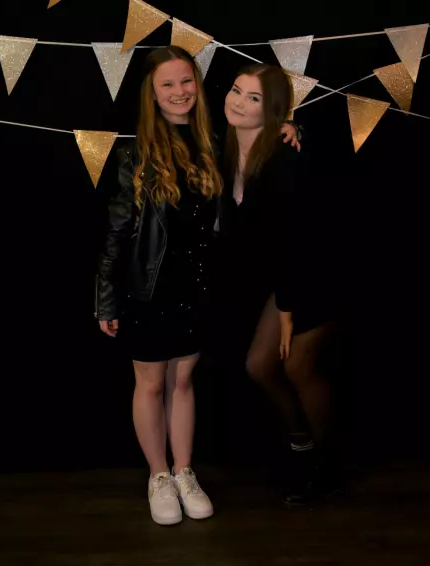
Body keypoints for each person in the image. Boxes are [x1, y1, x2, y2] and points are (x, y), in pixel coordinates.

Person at [95, 46, 299, 525]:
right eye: (167, 84)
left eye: (186, 81)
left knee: (183, 381)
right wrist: (104, 297)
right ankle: (158, 475)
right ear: (151, 93)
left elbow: (258, 139)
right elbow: (116, 234)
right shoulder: (133, 153)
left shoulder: (212, 143)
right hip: (146, 290)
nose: (179, 91)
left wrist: (290, 126)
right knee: (150, 385)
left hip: (197, 287)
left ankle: (184, 471)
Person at [217, 63, 341, 506]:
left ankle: (327, 469)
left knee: (296, 366)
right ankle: (300, 446)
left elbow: (295, 242)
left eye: (253, 98)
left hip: (319, 276)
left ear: (271, 111)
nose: (238, 102)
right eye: (236, 90)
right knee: (258, 366)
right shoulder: (226, 149)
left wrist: (287, 311)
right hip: (288, 279)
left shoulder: (283, 158)